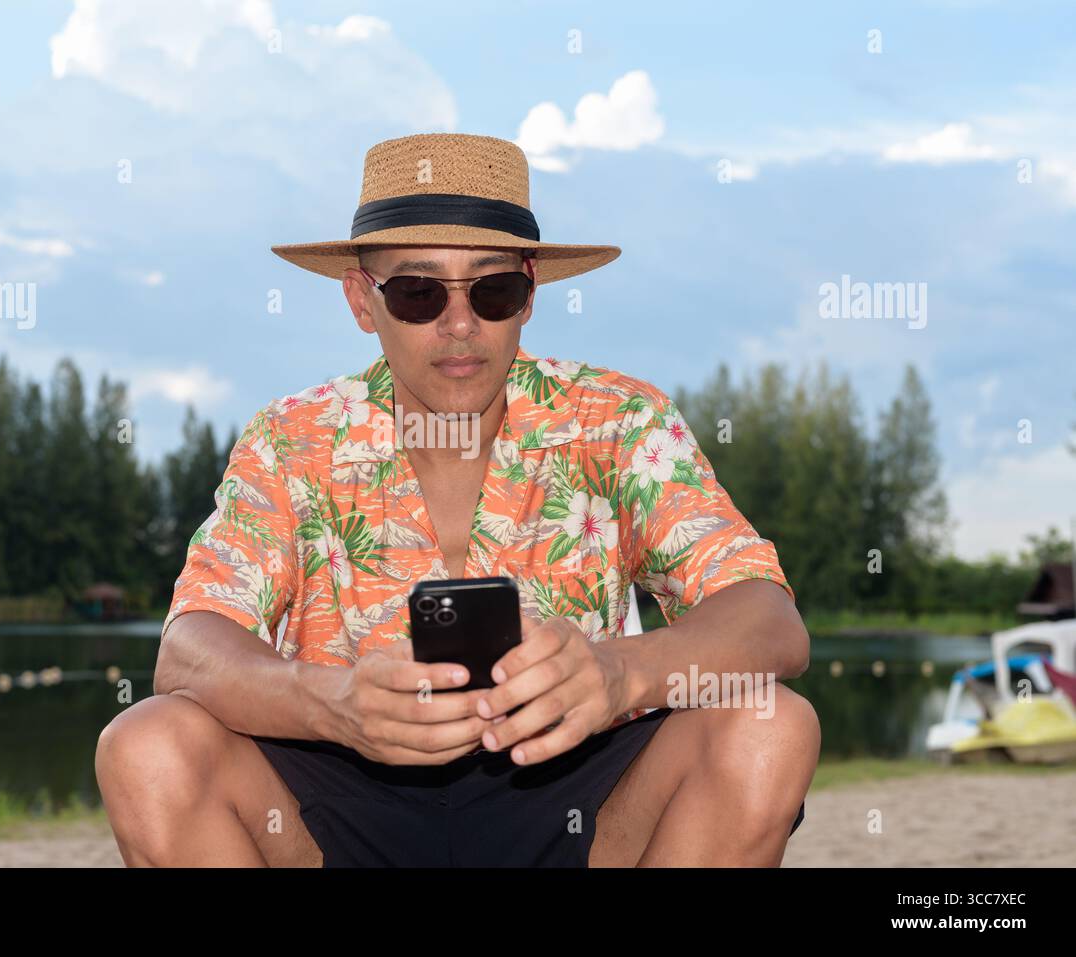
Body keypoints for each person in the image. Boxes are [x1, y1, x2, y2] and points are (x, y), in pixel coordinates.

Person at [96, 132, 819, 867]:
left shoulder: (619, 420)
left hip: (581, 798)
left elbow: (769, 620)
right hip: (336, 800)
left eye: (493, 289)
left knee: (768, 723)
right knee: (145, 744)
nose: (461, 324)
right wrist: (333, 702)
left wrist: (620, 672)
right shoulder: (292, 438)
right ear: (360, 299)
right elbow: (189, 650)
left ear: (529, 294)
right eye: (418, 292)